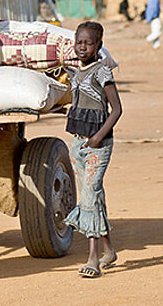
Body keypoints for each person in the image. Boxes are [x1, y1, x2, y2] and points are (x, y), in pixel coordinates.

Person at [63, 21, 123, 278]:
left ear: (99, 45)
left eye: (88, 43)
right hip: (79, 144)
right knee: (94, 195)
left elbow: (117, 109)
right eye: (79, 42)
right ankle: (109, 251)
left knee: (88, 197)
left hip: (98, 145)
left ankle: (93, 258)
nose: (82, 47)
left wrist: (98, 137)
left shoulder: (102, 72)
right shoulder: (76, 73)